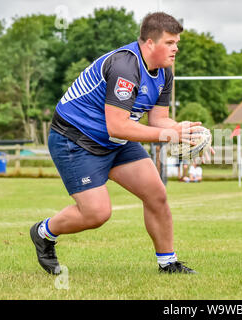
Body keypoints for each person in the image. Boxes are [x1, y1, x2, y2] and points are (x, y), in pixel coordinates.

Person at [29, 12, 199, 275]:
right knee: (97, 214)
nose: (176, 48)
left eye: (177, 42)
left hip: (114, 140)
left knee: (156, 194)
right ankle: (43, 232)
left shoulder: (164, 73)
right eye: (169, 42)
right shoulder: (125, 66)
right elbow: (118, 125)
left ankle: (168, 263)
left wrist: (184, 131)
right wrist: (169, 135)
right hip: (75, 138)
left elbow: (158, 120)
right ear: (149, 43)